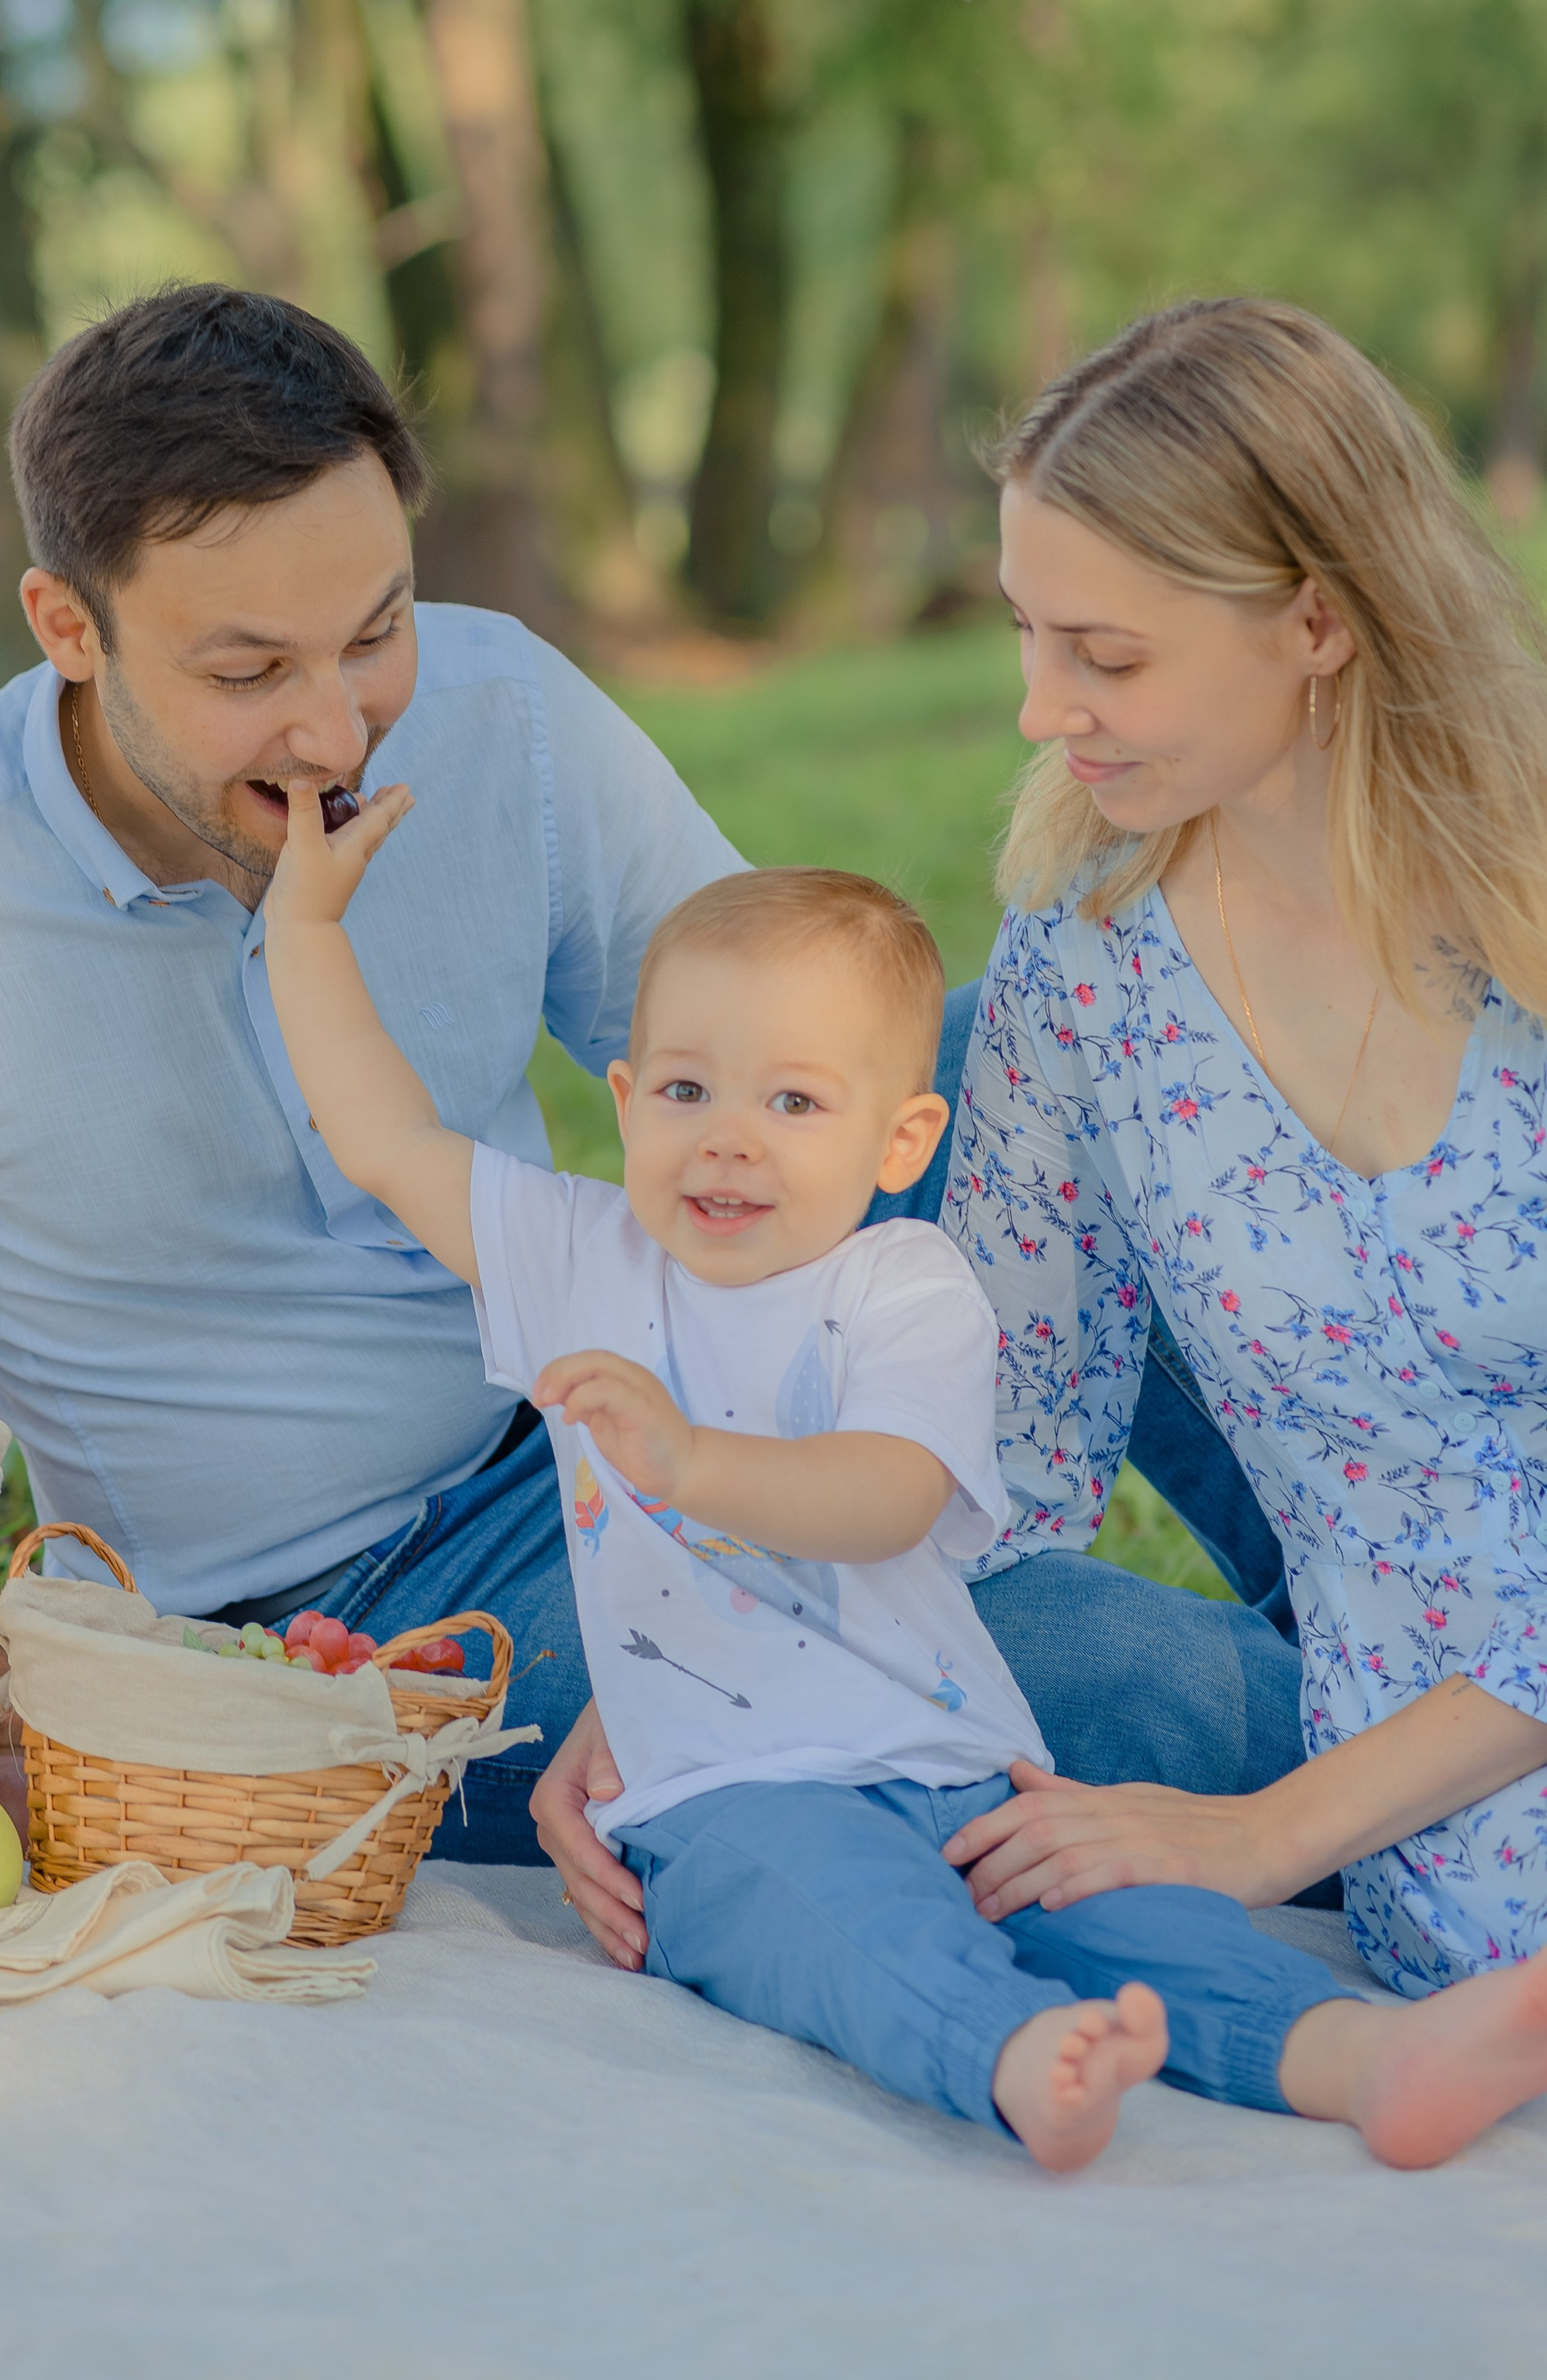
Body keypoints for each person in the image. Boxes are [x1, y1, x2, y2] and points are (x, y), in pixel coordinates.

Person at [260, 815, 1547, 2166]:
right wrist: (304, 928)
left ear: (902, 1138)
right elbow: (383, 1137)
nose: (729, 1144)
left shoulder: (907, 1284)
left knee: (1138, 1914)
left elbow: (884, 1499)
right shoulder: (580, 1258)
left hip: (957, 1758)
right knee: (838, 1919)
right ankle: (1006, 2051)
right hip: (722, 1792)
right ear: (627, 1102)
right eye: (687, 1093)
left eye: (794, 1102)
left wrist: (690, 1466)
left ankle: (1360, 2056)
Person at [0, 285, 743, 1859]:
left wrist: (781, 1422)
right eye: (249, 670)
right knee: (1104, 1689)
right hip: (332, 1625)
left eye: (376, 629)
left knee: (999, 1055)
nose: (339, 729)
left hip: (626, 1417)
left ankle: (1234, 1543)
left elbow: (777, 1058)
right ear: (67, 626)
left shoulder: (504, 709)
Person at [930, 295, 1547, 1998]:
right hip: (1437, 1835)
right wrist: (707, 1671)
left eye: (1105, 655)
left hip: (1374, 1795)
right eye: (1027, 636)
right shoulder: (1083, 966)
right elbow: (993, 1446)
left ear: (1318, 621)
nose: (1040, 709)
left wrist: (1267, 1834)